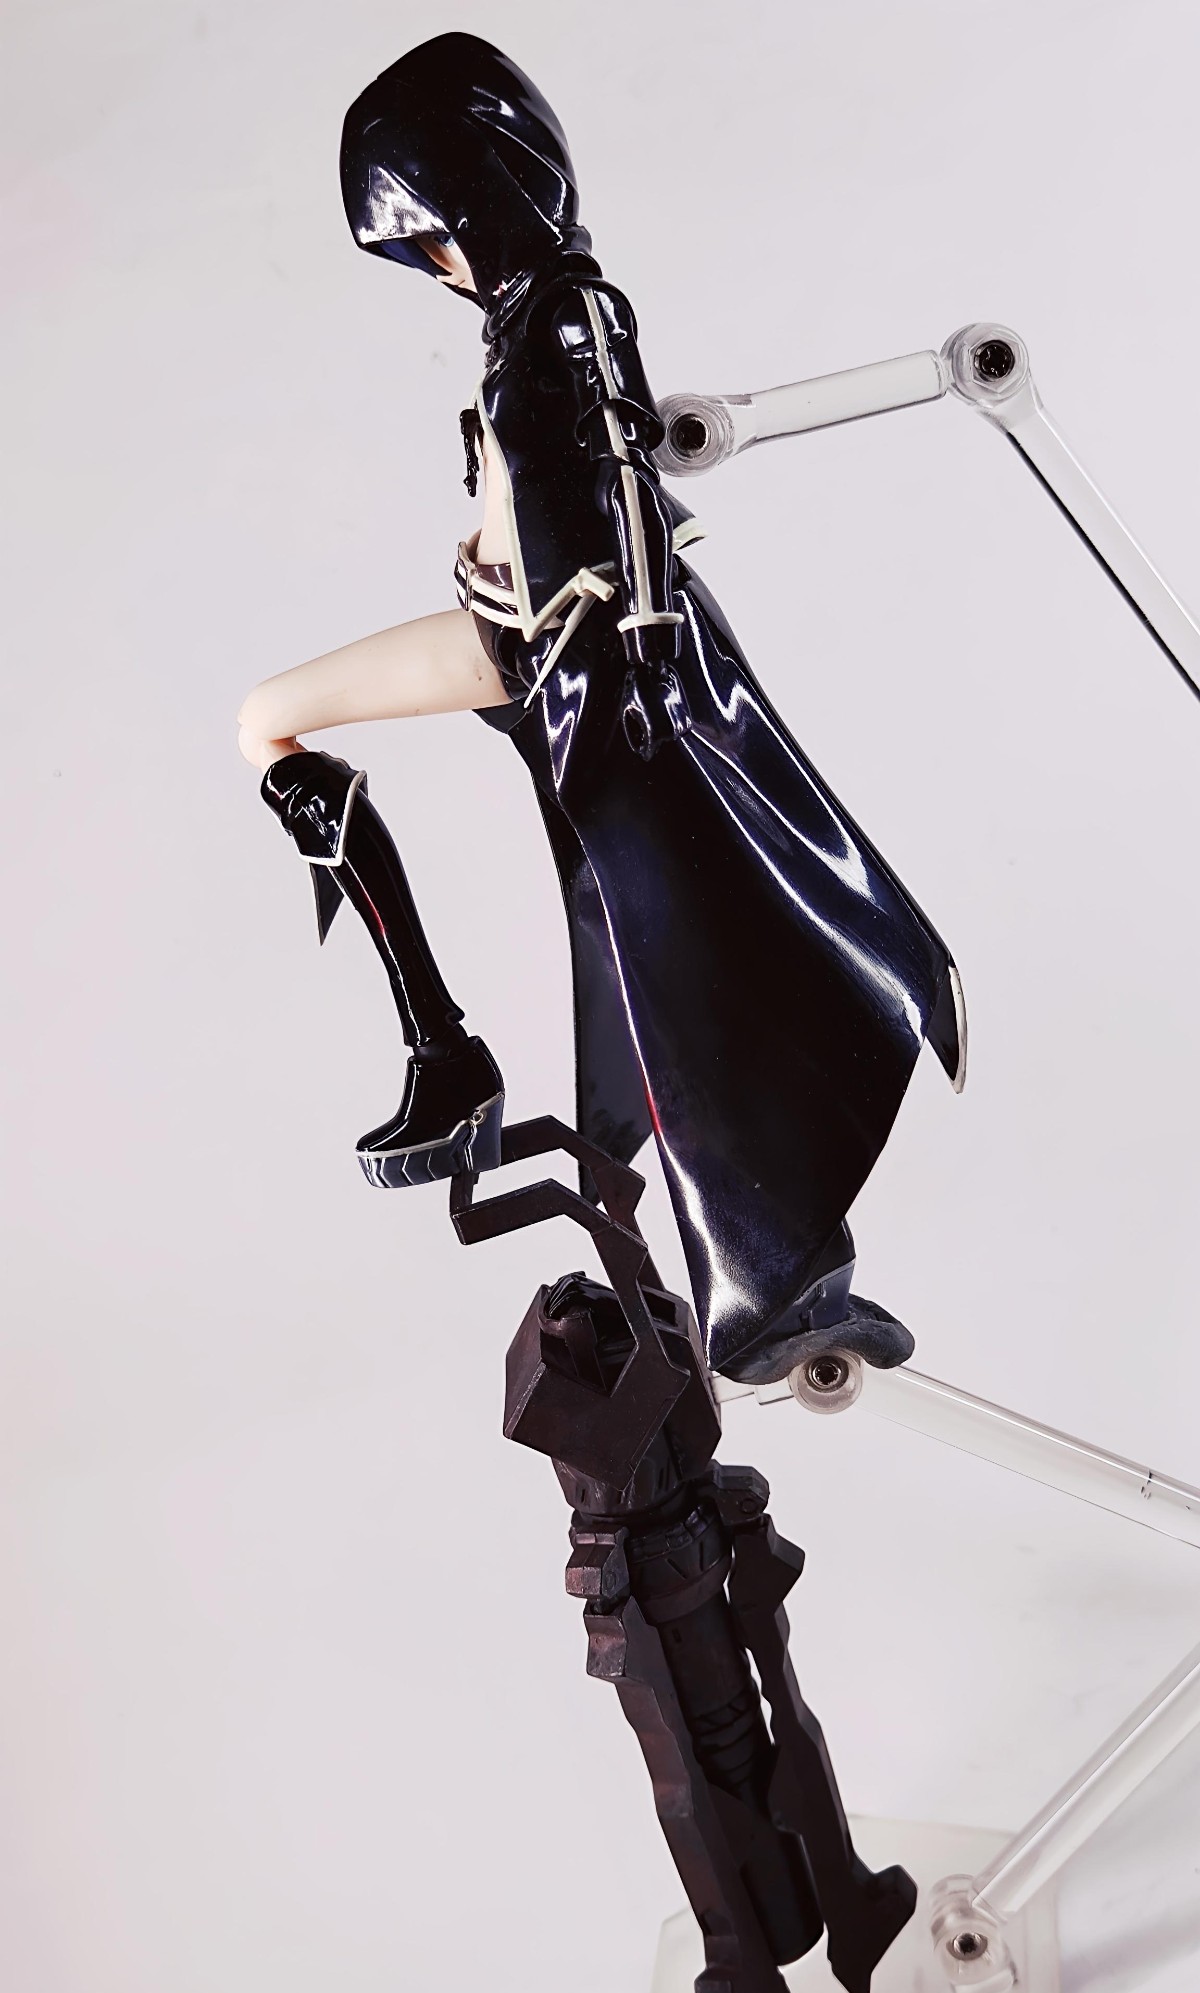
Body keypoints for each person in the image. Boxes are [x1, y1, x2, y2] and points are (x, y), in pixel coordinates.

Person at [238, 31, 965, 1386]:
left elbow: (620, 487)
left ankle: (752, 1272)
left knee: (691, 974)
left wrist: (627, 660)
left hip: (575, 664)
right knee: (658, 968)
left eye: (430, 236)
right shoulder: (528, 315)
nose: (433, 266)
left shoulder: (568, 310)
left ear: (473, 197)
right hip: (534, 651)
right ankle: (448, 1060)